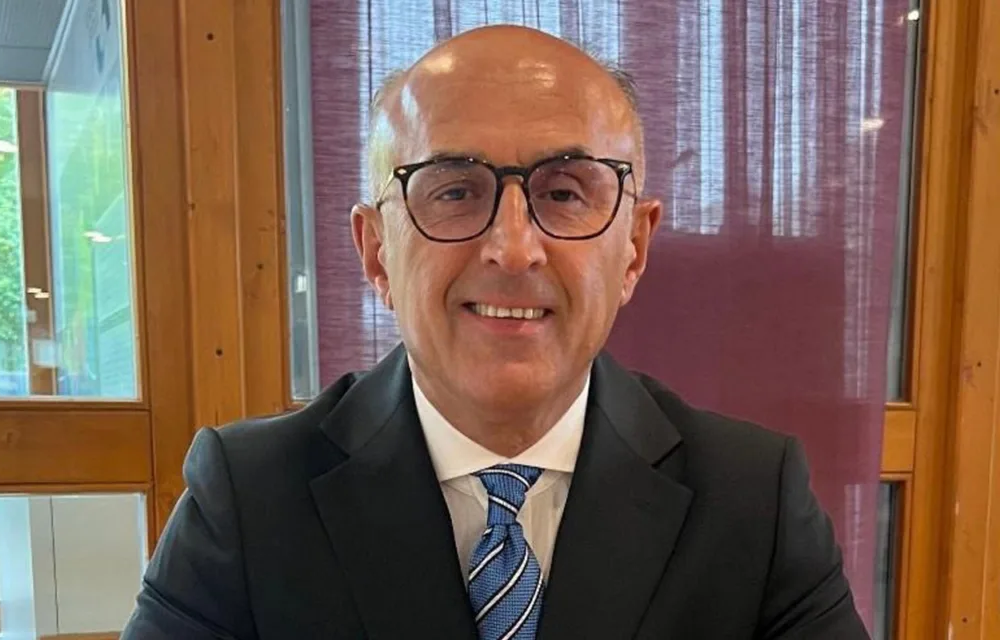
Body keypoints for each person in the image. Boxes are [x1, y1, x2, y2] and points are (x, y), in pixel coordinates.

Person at [121, 25, 869, 640]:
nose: (513, 249)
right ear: (376, 252)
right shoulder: (249, 500)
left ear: (635, 249)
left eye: (565, 192)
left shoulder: (753, 499)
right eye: (454, 191)